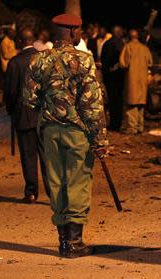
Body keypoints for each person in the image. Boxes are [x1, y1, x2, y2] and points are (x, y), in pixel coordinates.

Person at [23, 13, 108, 258]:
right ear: (72, 32)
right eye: (79, 30)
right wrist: (100, 140)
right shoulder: (84, 60)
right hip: (77, 132)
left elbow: (29, 99)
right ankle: (74, 243)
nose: (81, 34)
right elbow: (92, 105)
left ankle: (62, 241)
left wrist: (49, 107)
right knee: (78, 183)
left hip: (49, 131)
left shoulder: (39, 60)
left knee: (57, 183)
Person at [3, 28, 49, 203]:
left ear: (20, 41)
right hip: (44, 115)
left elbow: (11, 92)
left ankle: (31, 192)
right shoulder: (44, 58)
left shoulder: (15, 63)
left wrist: (10, 110)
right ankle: (53, 193)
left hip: (23, 116)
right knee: (47, 157)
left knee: (28, 156)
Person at [119, 29, 152, 134]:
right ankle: (140, 126)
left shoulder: (128, 47)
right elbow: (150, 63)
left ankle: (131, 127)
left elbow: (123, 63)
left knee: (131, 104)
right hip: (142, 79)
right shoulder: (145, 48)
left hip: (131, 79)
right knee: (140, 104)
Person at [101, 25, 124, 131]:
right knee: (117, 101)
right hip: (118, 77)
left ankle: (113, 123)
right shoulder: (120, 44)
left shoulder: (106, 43)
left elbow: (103, 59)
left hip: (108, 77)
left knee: (111, 100)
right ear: (118, 32)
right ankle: (117, 123)